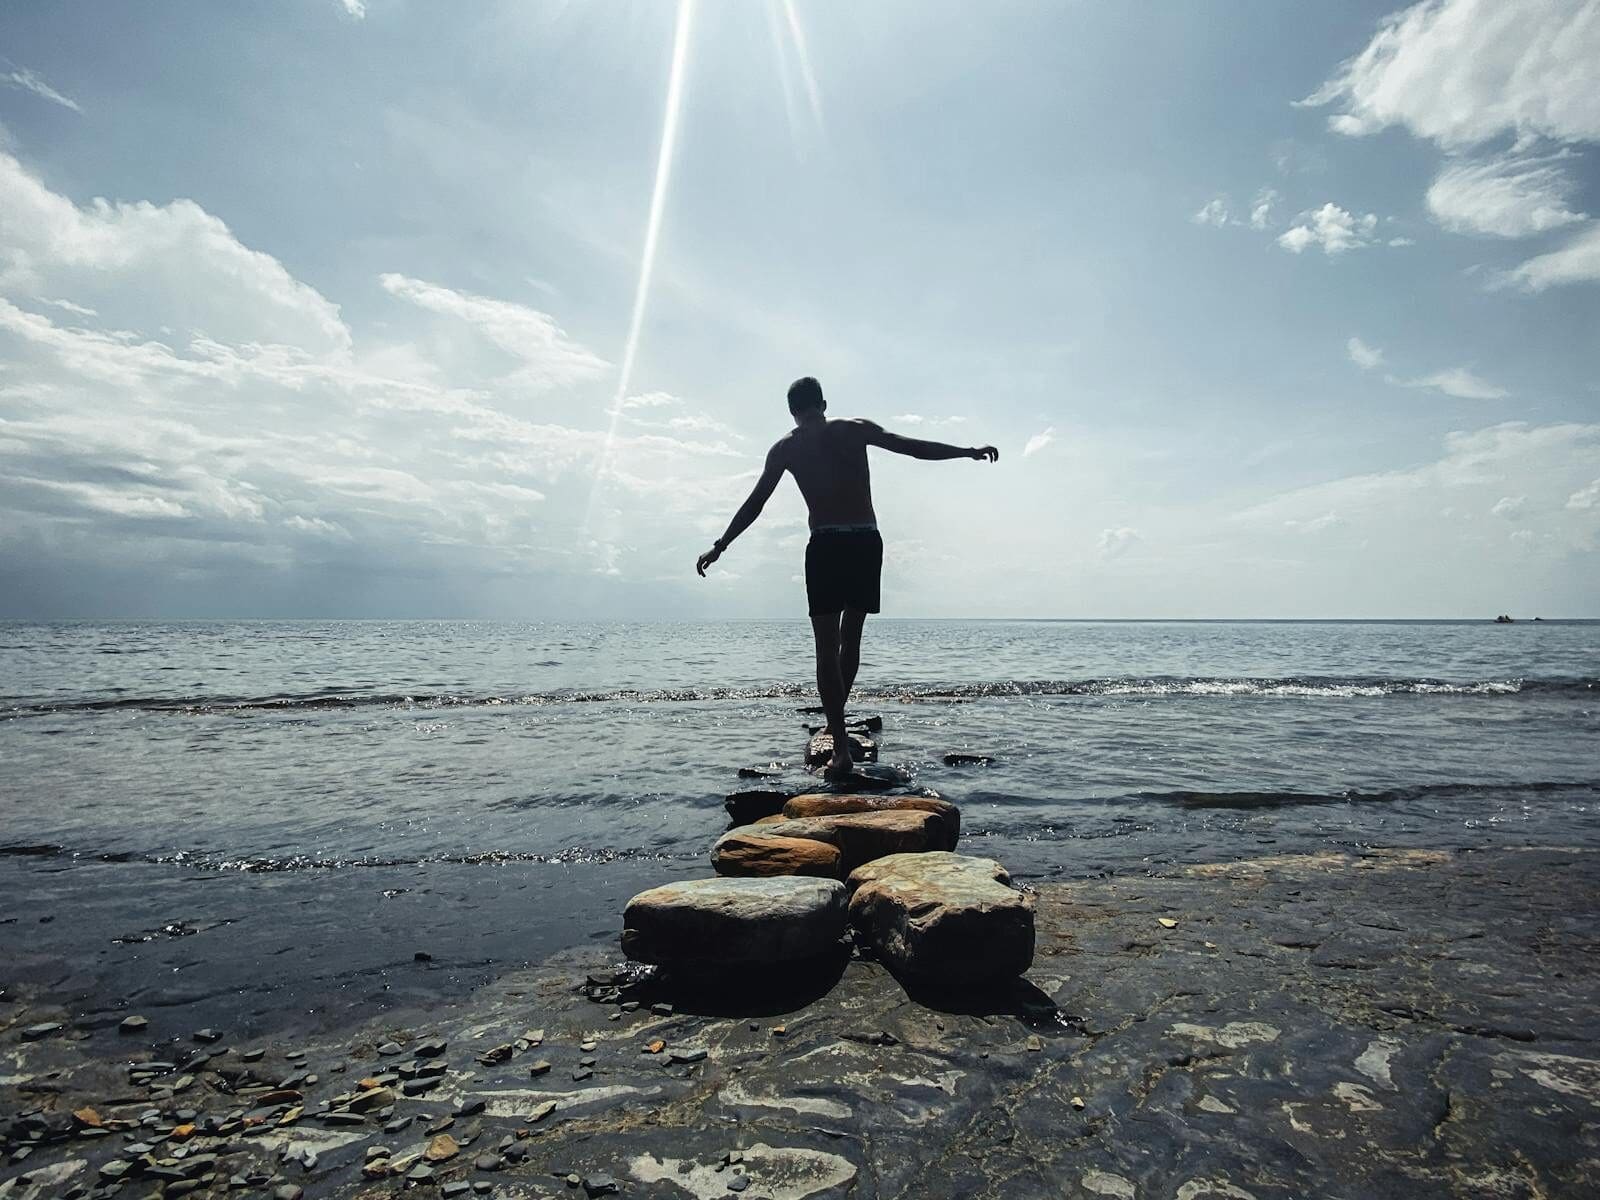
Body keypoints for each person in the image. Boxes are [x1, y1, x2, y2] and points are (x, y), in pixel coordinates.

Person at [696, 376, 999, 780]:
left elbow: (756, 502)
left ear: (792, 411)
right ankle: (837, 731)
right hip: (863, 541)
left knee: (826, 647)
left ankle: (839, 744)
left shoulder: (786, 448)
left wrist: (721, 545)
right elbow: (910, 447)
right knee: (850, 638)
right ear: (823, 403)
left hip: (823, 545)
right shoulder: (851, 429)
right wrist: (967, 452)